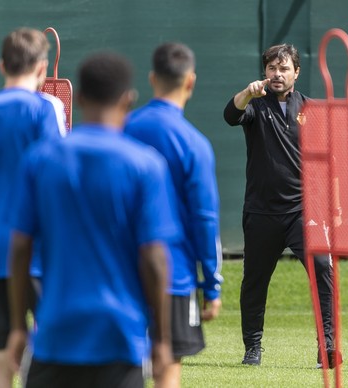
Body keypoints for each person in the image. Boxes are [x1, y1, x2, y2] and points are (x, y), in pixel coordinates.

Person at [6, 52, 179, 388]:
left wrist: (16, 326)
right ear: (128, 100)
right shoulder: (146, 165)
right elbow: (155, 258)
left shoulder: (40, 160)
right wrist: (162, 339)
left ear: (80, 98)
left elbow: (20, 246)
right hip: (120, 338)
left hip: (55, 335)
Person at [223, 43, 339, 368]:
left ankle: (326, 348)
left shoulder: (311, 110)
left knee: (322, 270)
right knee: (254, 282)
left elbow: (328, 161)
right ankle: (253, 348)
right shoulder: (255, 106)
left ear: (296, 72)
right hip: (261, 212)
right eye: (272, 68)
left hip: (304, 212)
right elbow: (230, 115)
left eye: (284, 68)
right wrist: (247, 93)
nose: (277, 74)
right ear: (265, 72)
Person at [125, 42, 223, 387]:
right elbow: (205, 219)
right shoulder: (194, 144)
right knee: (168, 368)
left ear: (152, 78)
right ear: (191, 82)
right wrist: (212, 285)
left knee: (125, 366)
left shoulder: (124, 128)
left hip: (124, 273)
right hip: (175, 276)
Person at [0, 27, 65, 388]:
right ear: (43, 68)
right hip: (37, 253)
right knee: (55, 351)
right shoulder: (45, 109)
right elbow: (56, 180)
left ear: (2, 65)